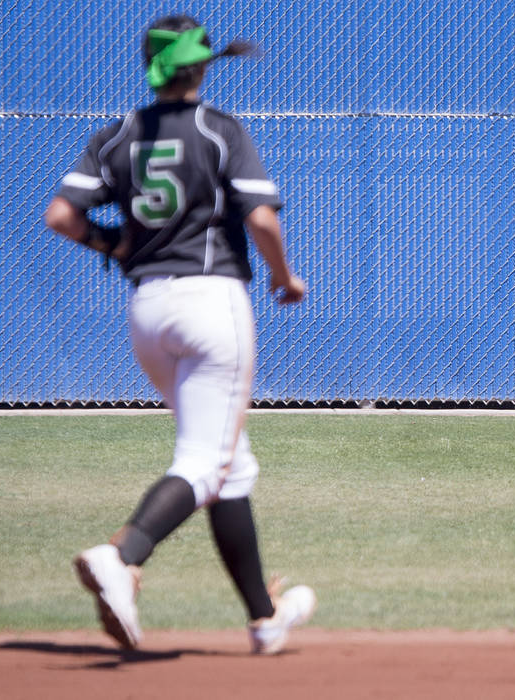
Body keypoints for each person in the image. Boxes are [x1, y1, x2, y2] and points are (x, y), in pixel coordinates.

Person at [44, 14, 316, 653]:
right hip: (212, 300)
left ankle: (263, 618)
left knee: (231, 464)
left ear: (152, 68)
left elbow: (61, 215)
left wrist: (111, 242)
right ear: (201, 68)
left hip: (147, 310)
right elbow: (263, 222)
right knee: (204, 460)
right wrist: (285, 277)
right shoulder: (219, 131)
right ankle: (124, 556)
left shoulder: (118, 134)